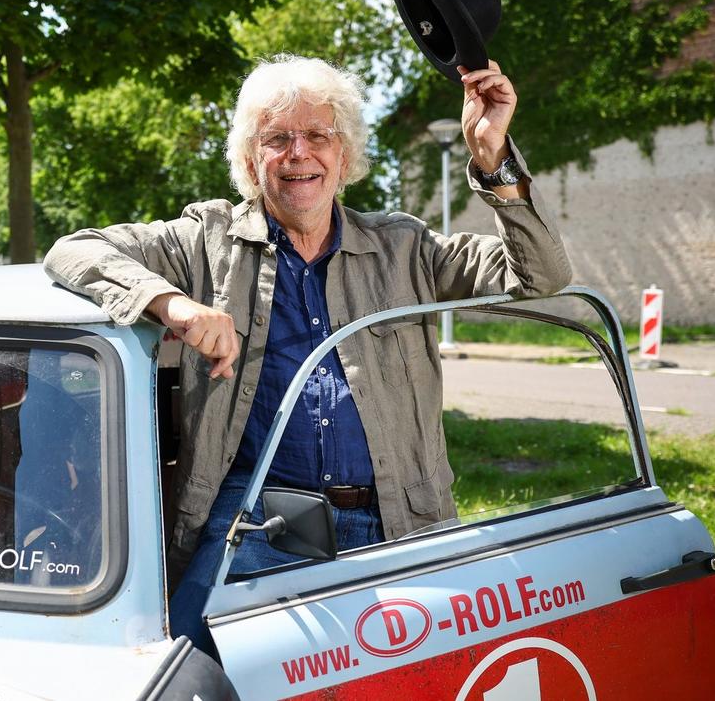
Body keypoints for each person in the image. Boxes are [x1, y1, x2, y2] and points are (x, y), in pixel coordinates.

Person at [42, 54, 571, 653]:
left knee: (415, 674)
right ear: (250, 159)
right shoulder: (208, 239)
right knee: (185, 667)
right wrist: (175, 306)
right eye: (277, 139)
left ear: (344, 157)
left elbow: (542, 276)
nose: (299, 154)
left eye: (318, 136)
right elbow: (74, 250)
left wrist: (492, 157)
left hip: (398, 518)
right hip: (259, 520)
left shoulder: (403, 246)